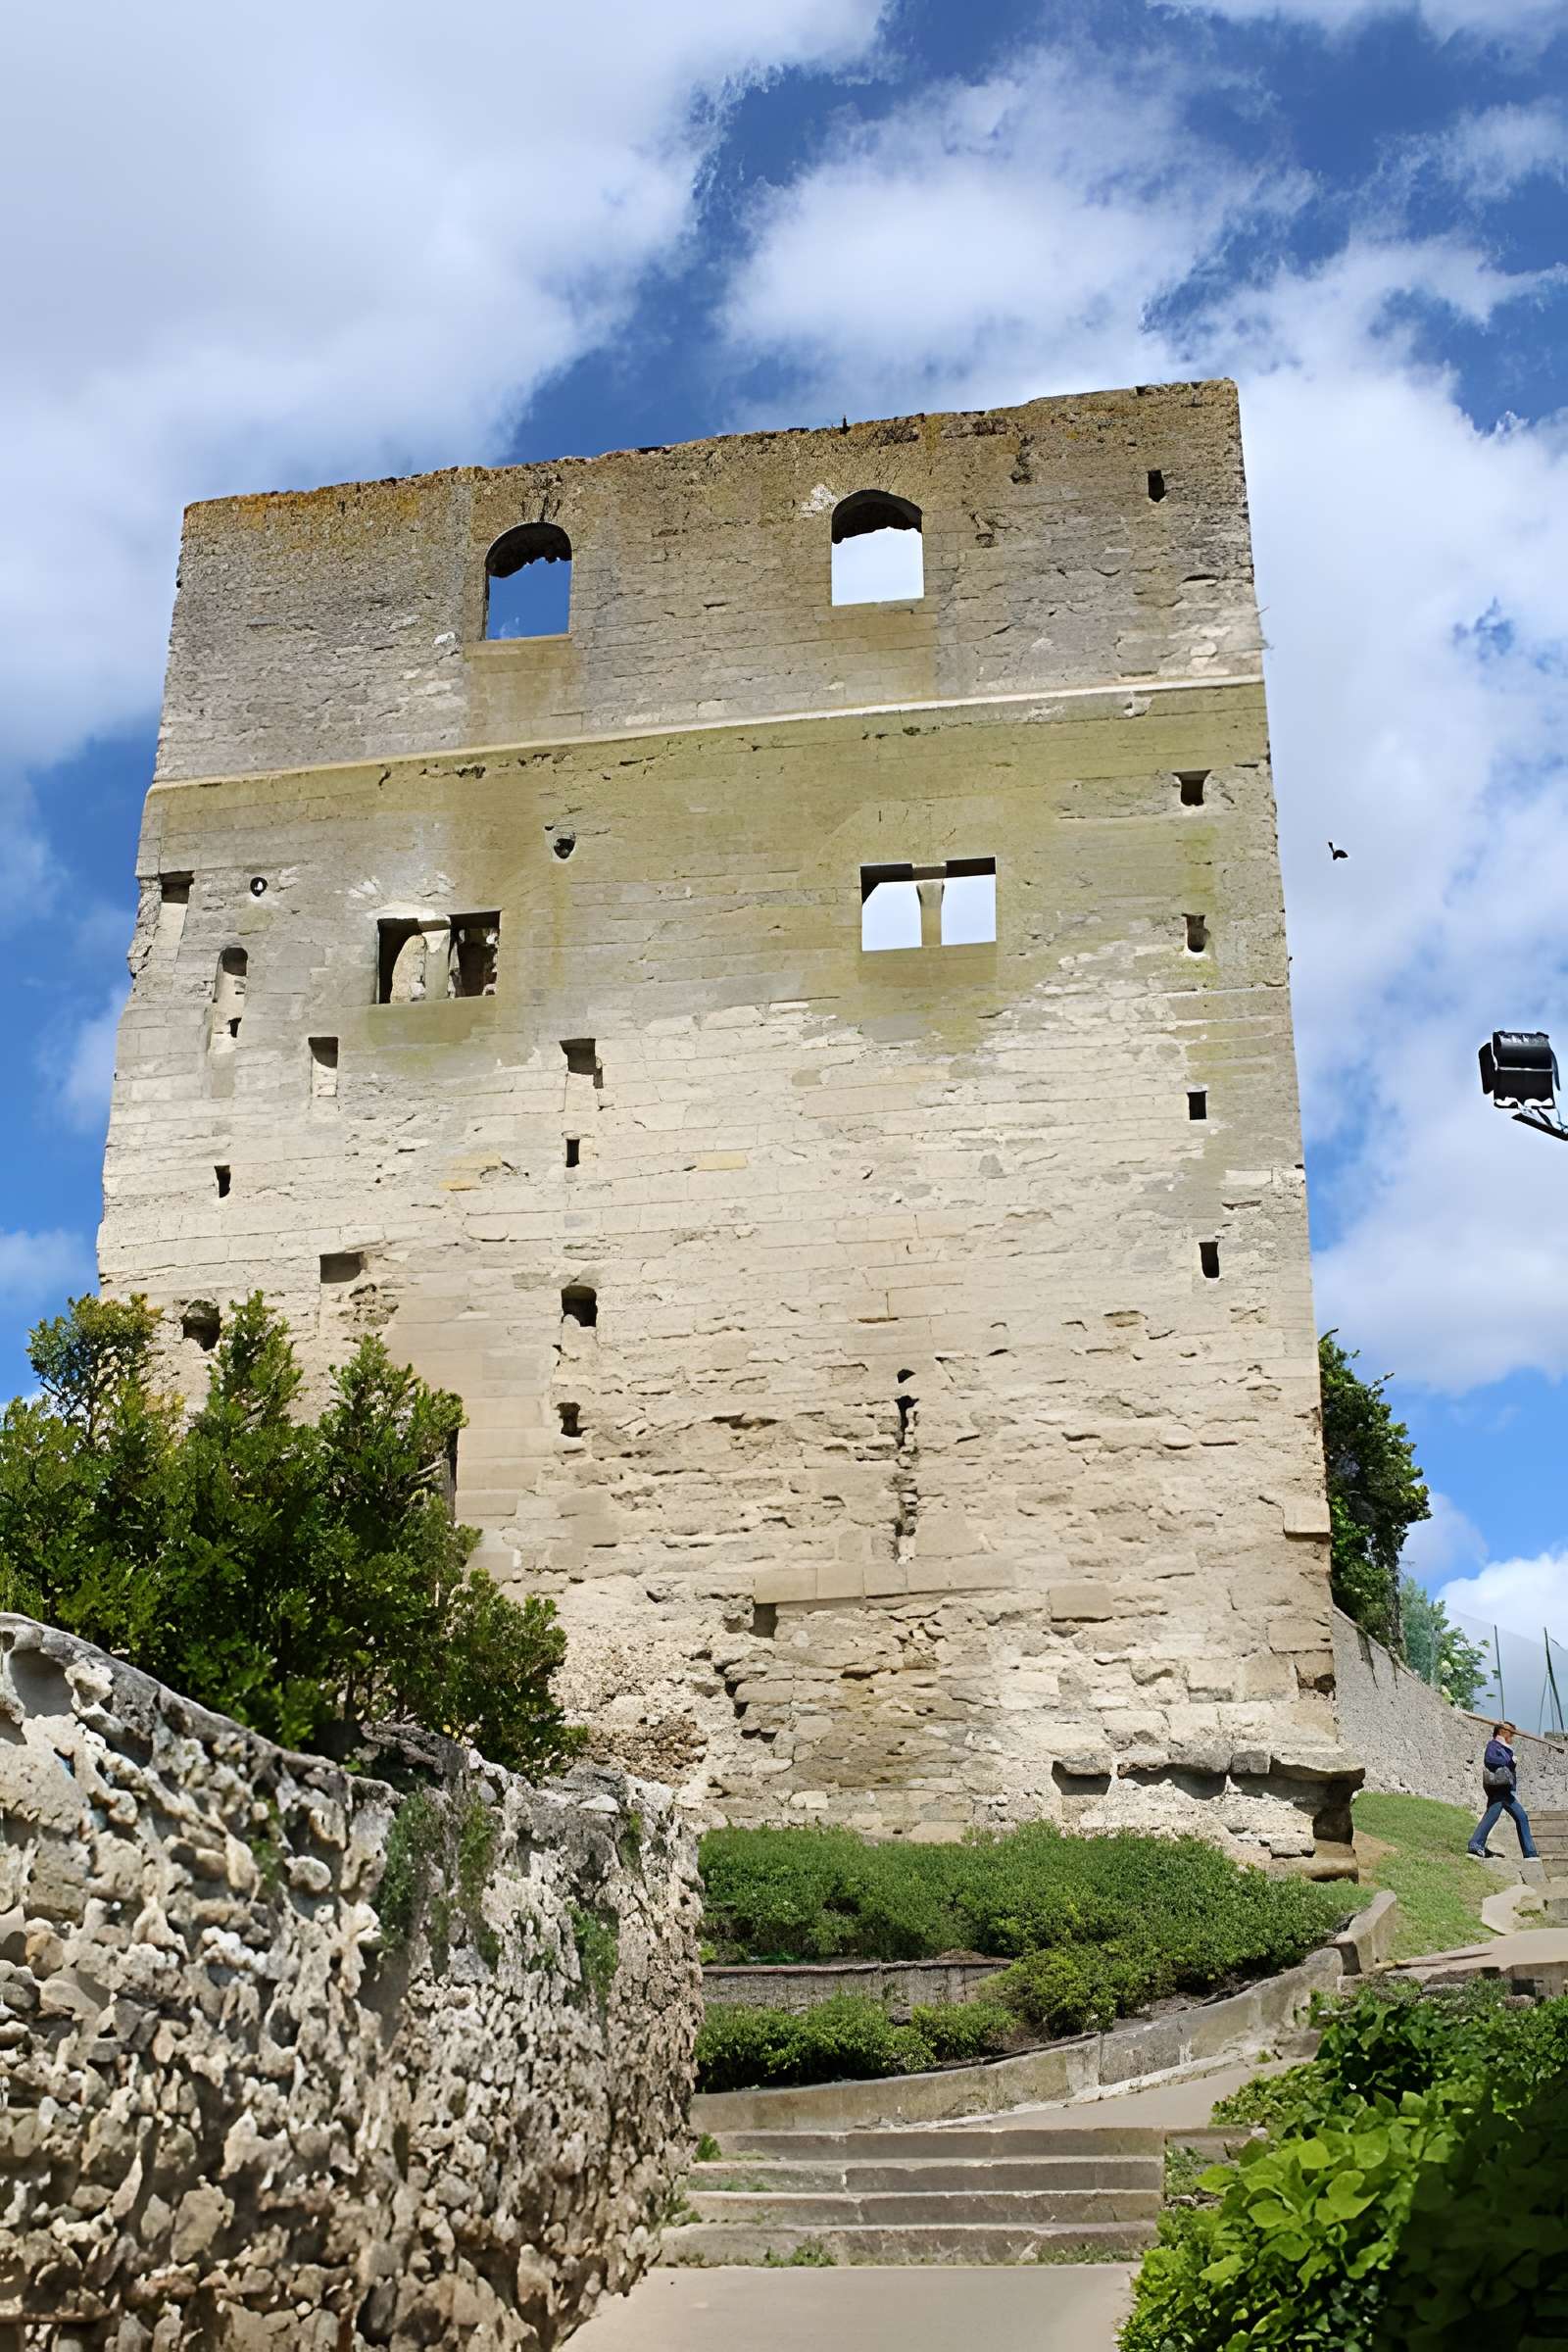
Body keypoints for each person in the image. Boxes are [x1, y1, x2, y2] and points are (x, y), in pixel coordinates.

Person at [1467, 1721, 1539, 1860]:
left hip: (1504, 1790)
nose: (1513, 1736)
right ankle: (1475, 1844)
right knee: (1498, 1816)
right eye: (1511, 1732)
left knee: (1520, 1816)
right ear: (1502, 1732)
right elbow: (1489, 1760)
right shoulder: (1493, 1745)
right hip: (1499, 1789)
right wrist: (1510, 1762)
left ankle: (1530, 1853)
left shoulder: (1504, 1747)